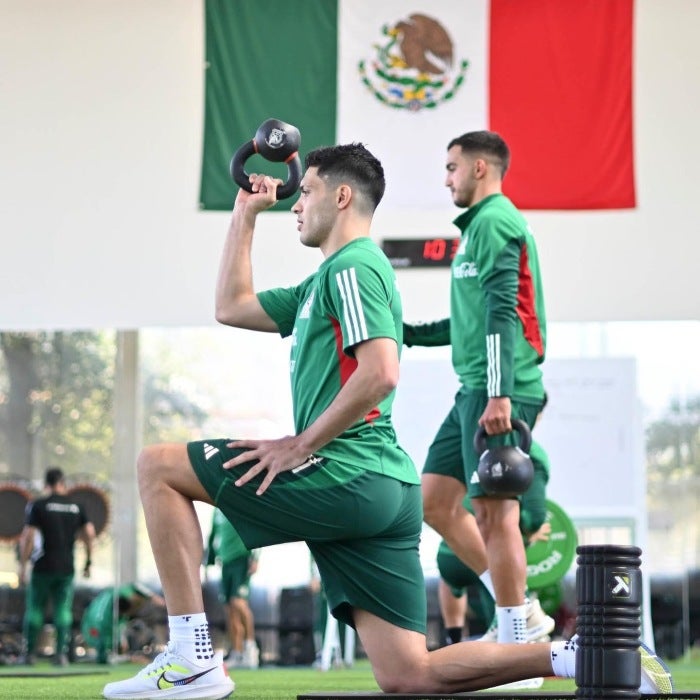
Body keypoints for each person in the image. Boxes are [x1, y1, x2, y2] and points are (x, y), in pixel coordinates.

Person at [102, 143, 671, 699]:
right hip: (383, 490)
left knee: (158, 465)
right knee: (409, 674)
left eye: (307, 192)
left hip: (348, 472)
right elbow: (232, 306)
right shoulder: (322, 281)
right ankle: (588, 653)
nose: (296, 206)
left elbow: (381, 372)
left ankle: (191, 655)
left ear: (342, 196)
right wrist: (245, 214)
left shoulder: (352, 267)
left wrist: (301, 444)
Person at [404, 130, 550, 646]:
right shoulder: (474, 232)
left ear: (480, 168)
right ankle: (523, 613)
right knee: (435, 501)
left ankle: (515, 636)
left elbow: (500, 312)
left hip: (500, 392)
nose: (447, 179)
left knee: (493, 512)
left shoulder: (497, 222)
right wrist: (404, 334)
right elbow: (469, 321)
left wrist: (499, 393)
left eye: (452, 168)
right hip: (474, 389)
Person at [18, 466, 96, 666]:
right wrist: (88, 561)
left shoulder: (38, 505)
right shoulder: (76, 507)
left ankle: (29, 655)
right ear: (62, 483)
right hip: (66, 567)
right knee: (63, 610)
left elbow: (28, 537)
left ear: (46, 484)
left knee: (35, 608)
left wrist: (22, 565)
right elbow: (90, 533)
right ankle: (61, 655)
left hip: (42, 566)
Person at [206, 508, 259, 669]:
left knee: (238, 602)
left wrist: (255, 557)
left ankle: (251, 647)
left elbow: (255, 528)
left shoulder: (235, 502)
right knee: (229, 609)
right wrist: (209, 560)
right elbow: (213, 535)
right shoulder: (216, 511)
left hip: (241, 559)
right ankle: (237, 652)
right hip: (225, 562)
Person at [81, 582, 165, 664]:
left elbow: (134, 585)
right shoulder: (102, 620)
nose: (138, 609)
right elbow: (101, 650)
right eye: (136, 606)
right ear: (125, 612)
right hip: (90, 630)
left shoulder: (122, 593)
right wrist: (126, 658)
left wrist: (152, 596)